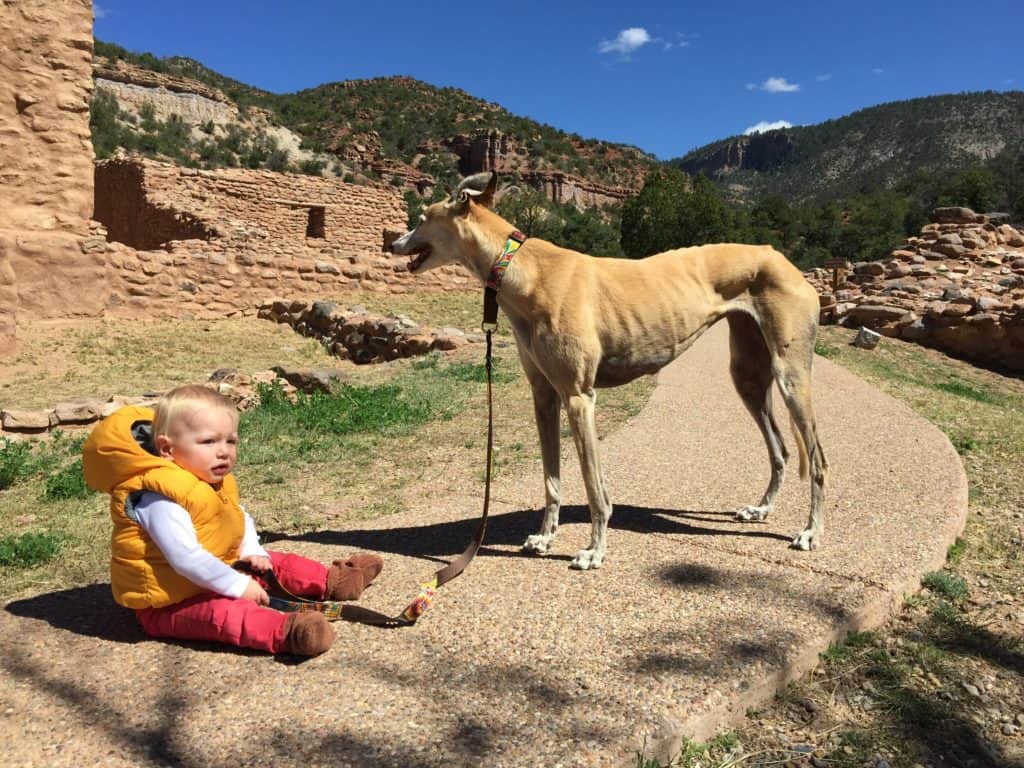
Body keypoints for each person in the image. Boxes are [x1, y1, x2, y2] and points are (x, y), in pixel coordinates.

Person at [82, 384, 383, 656]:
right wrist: (237, 586)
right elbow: (185, 558)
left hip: (217, 567)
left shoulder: (208, 481)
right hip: (171, 602)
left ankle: (334, 581)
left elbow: (239, 519)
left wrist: (252, 550)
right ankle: (288, 632)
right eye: (209, 441)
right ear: (167, 449)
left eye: (231, 440)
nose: (224, 451)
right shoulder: (158, 498)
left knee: (275, 561)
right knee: (226, 615)